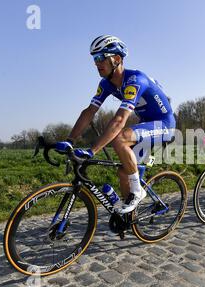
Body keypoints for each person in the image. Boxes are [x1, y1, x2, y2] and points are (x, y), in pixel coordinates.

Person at [55, 35, 175, 214]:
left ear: (117, 59)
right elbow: (89, 112)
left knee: (120, 138)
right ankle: (126, 218)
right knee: (123, 173)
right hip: (146, 125)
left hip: (164, 125)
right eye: (94, 59)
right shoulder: (106, 84)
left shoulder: (135, 79)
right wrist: (70, 140)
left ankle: (137, 192)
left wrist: (92, 151)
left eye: (100, 58)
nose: (96, 63)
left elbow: (120, 119)